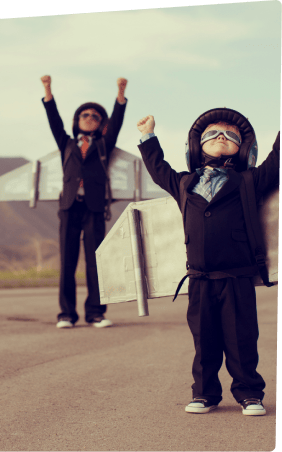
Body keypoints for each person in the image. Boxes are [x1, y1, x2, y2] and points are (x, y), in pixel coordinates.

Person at [136, 108, 280, 416]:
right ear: (196, 146)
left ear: (243, 148)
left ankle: (249, 393)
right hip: (199, 278)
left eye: (230, 135)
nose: (221, 137)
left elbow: (276, 164)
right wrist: (148, 136)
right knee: (205, 341)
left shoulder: (248, 181)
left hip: (237, 277)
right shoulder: (184, 183)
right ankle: (205, 393)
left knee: (242, 339)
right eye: (212, 133)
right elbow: (158, 169)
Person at [41, 75, 128, 328]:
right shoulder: (66, 143)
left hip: (94, 207)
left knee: (95, 261)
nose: (89, 117)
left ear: (101, 124)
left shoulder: (103, 144)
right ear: (77, 122)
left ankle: (95, 313)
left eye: (95, 116)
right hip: (69, 206)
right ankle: (66, 314)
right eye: (84, 115)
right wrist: (48, 90)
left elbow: (117, 124)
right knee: (67, 261)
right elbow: (53, 121)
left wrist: (120, 94)